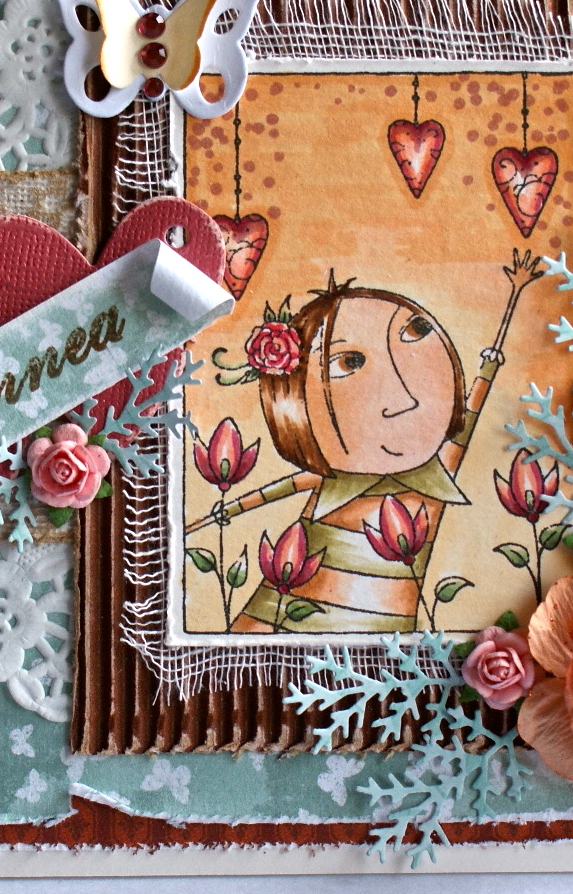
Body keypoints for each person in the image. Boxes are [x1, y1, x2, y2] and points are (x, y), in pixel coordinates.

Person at [186, 250, 544, 633]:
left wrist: (498, 340)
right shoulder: (336, 481)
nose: (404, 398)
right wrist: (222, 513)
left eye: (416, 330)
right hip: (281, 621)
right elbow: (276, 490)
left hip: (388, 643)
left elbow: (470, 412)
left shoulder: (438, 471)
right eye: (348, 363)